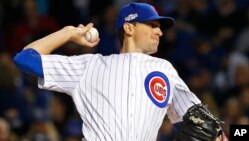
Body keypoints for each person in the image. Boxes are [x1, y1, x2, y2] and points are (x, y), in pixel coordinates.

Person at [13, 2, 228, 141]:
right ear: (129, 27)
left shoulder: (164, 69)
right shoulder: (89, 66)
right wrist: (68, 33)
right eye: (152, 24)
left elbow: (202, 124)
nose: (159, 32)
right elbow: (25, 59)